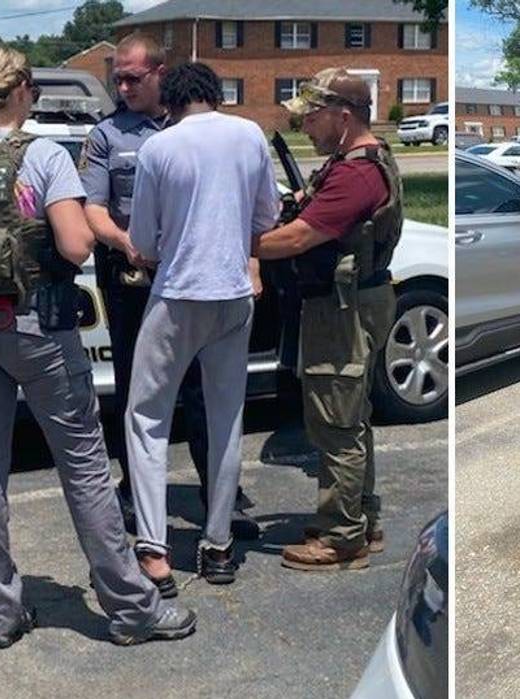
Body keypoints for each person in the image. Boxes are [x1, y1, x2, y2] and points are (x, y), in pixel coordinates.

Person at [0, 45, 196, 648]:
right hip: (36, 327)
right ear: (20, 91)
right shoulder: (39, 155)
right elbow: (73, 246)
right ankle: (132, 609)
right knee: (85, 467)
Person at [78, 33, 258, 539]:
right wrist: (125, 243)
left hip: (196, 276)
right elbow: (93, 207)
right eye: (118, 77)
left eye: (134, 77)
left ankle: (221, 497)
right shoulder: (106, 136)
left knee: (207, 394)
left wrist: (252, 263)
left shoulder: (194, 128)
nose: (123, 86)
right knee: (138, 393)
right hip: (133, 275)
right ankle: (136, 495)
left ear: (161, 74)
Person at [124, 62, 277, 588]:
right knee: (226, 416)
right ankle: (217, 545)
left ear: (169, 100)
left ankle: (153, 547)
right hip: (233, 293)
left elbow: (142, 240)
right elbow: (266, 215)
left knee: (146, 417)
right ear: (215, 95)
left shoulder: (158, 148)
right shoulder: (249, 134)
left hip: (177, 292)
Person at [255, 67, 401, 571]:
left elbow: (297, 238)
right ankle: (360, 518)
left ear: (342, 116)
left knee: (336, 421)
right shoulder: (354, 160)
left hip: (344, 309)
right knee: (351, 418)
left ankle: (343, 538)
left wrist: (229, 243)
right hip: (352, 300)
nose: (305, 129)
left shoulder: (355, 173)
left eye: (311, 119)